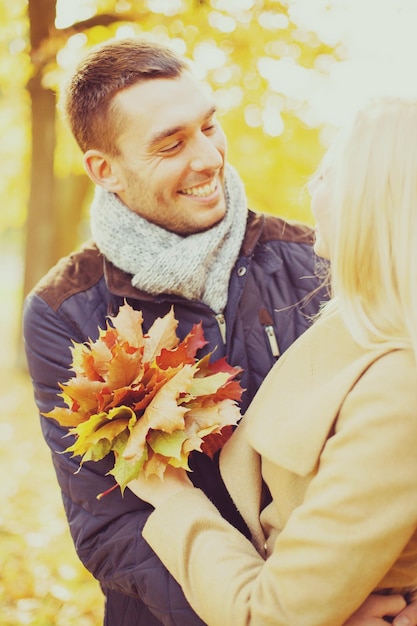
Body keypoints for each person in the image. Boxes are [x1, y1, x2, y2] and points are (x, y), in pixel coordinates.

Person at [22, 37, 416, 626]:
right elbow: (109, 523)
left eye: (209, 126)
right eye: (171, 144)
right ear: (106, 170)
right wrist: (278, 612)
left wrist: (328, 597)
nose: (207, 157)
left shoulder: (314, 259)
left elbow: (387, 470)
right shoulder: (66, 311)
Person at [127, 96, 417, 626]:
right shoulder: (351, 320)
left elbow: (269, 615)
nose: (312, 187)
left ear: (373, 197)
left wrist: (172, 498)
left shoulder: (401, 381)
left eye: (328, 173)